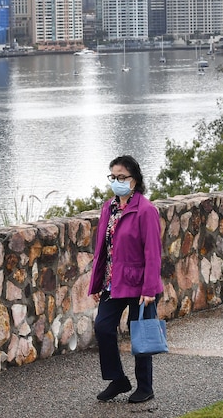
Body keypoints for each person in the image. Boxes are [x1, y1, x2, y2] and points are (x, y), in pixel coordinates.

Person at [88, 155, 163, 403]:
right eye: (113, 177)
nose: (117, 181)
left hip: (141, 285)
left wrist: (150, 289)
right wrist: (97, 283)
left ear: (135, 180)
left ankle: (145, 387)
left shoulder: (146, 210)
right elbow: (103, 249)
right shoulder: (108, 208)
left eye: (122, 177)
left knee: (139, 332)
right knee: (103, 327)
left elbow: (153, 253)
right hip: (114, 282)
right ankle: (118, 379)